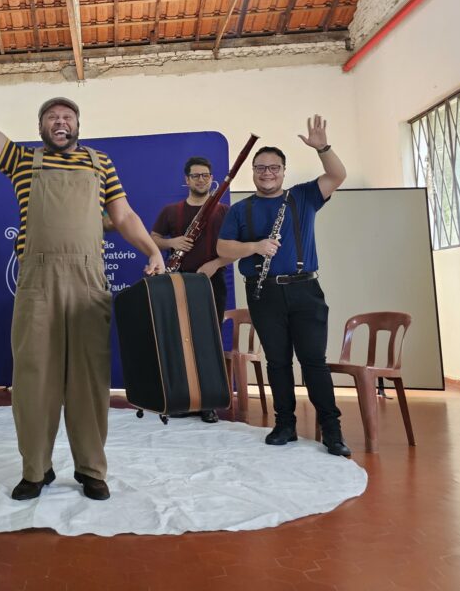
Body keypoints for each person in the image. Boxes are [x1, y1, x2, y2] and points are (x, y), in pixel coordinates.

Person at [0, 45, 165, 501]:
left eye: (67, 117)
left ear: (77, 125)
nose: (60, 122)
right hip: (37, 282)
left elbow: (124, 216)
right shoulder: (22, 160)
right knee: (34, 376)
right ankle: (35, 469)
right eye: (52, 117)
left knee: (90, 378)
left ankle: (91, 469)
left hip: (88, 282)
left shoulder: (100, 163)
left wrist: (152, 249)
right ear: (41, 127)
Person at [217, 116, 351, 457]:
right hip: (263, 293)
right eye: (260, 168)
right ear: (253, 172)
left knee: (313, 361)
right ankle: (285, 424)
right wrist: (254, 247)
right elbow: (223, 248)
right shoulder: (240, 209)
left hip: (305, 290)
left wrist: (323, 148)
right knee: (277, 361)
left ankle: (332, 430)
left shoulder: (303, 196)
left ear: (283, 171)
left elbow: (337, 175)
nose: (267, 173)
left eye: (273, 168)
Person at [150, 156, 237, 424]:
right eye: (196, 176)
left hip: (212, 282)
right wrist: (172, 242)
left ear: (212, 179)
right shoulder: (171, 211)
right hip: (177, 280)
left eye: (206, 175)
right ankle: (182, 399)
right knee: (179, 340)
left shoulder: (223, 211)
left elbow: (237, 247)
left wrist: (215, 263)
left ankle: (208, 403)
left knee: (208, 341)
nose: (201, 180)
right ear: (186, 180)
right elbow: (153, 239)